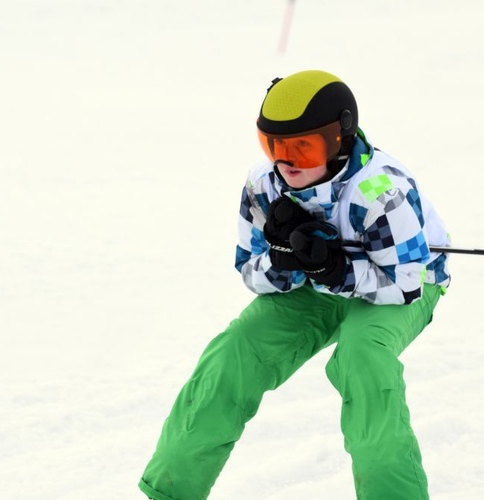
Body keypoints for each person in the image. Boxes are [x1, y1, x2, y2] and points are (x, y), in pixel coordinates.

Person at [138, 69, 451, 500]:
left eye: (302, 148)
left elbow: (406, 282)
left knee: (362, 359)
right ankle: (171, 490)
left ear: (338, 138)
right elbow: (249, 268)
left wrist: (337, 271)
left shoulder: (379, 191)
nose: (285, 162)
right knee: (235, 350)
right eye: (273, 146)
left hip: (399, 284)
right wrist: (285, 262)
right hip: (316, 289)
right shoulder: (264, 185)